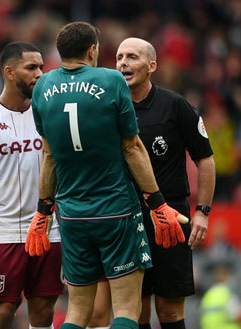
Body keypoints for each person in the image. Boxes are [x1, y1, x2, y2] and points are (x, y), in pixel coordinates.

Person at [28, 21, 188, 329]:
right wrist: (158, 203)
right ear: (92, 50)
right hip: (116, 209)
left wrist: (43, 211)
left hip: (71, 214)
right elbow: (133, 148)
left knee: (76, 312)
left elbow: (48, 156)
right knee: (126, 309)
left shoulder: (43, 87)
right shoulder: (111, 80)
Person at [114, 37, 216, 329]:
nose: (123, 63)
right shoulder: (109, 108)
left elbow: (205, 159)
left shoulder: (176, 105)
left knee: (169, 310)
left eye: (132, 57)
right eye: (120, 57)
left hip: (170, 216)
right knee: (136, 310)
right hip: (124, 217)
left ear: (151, 66)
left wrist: (203, 211)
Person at [0, 41, 64, 329]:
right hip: (4, 232)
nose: (40, 74)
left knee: (44, 311)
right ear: (9, 71)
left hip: (47, 231)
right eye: (31, 68)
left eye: (41, 67)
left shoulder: (47, 115)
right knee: (2, 314)